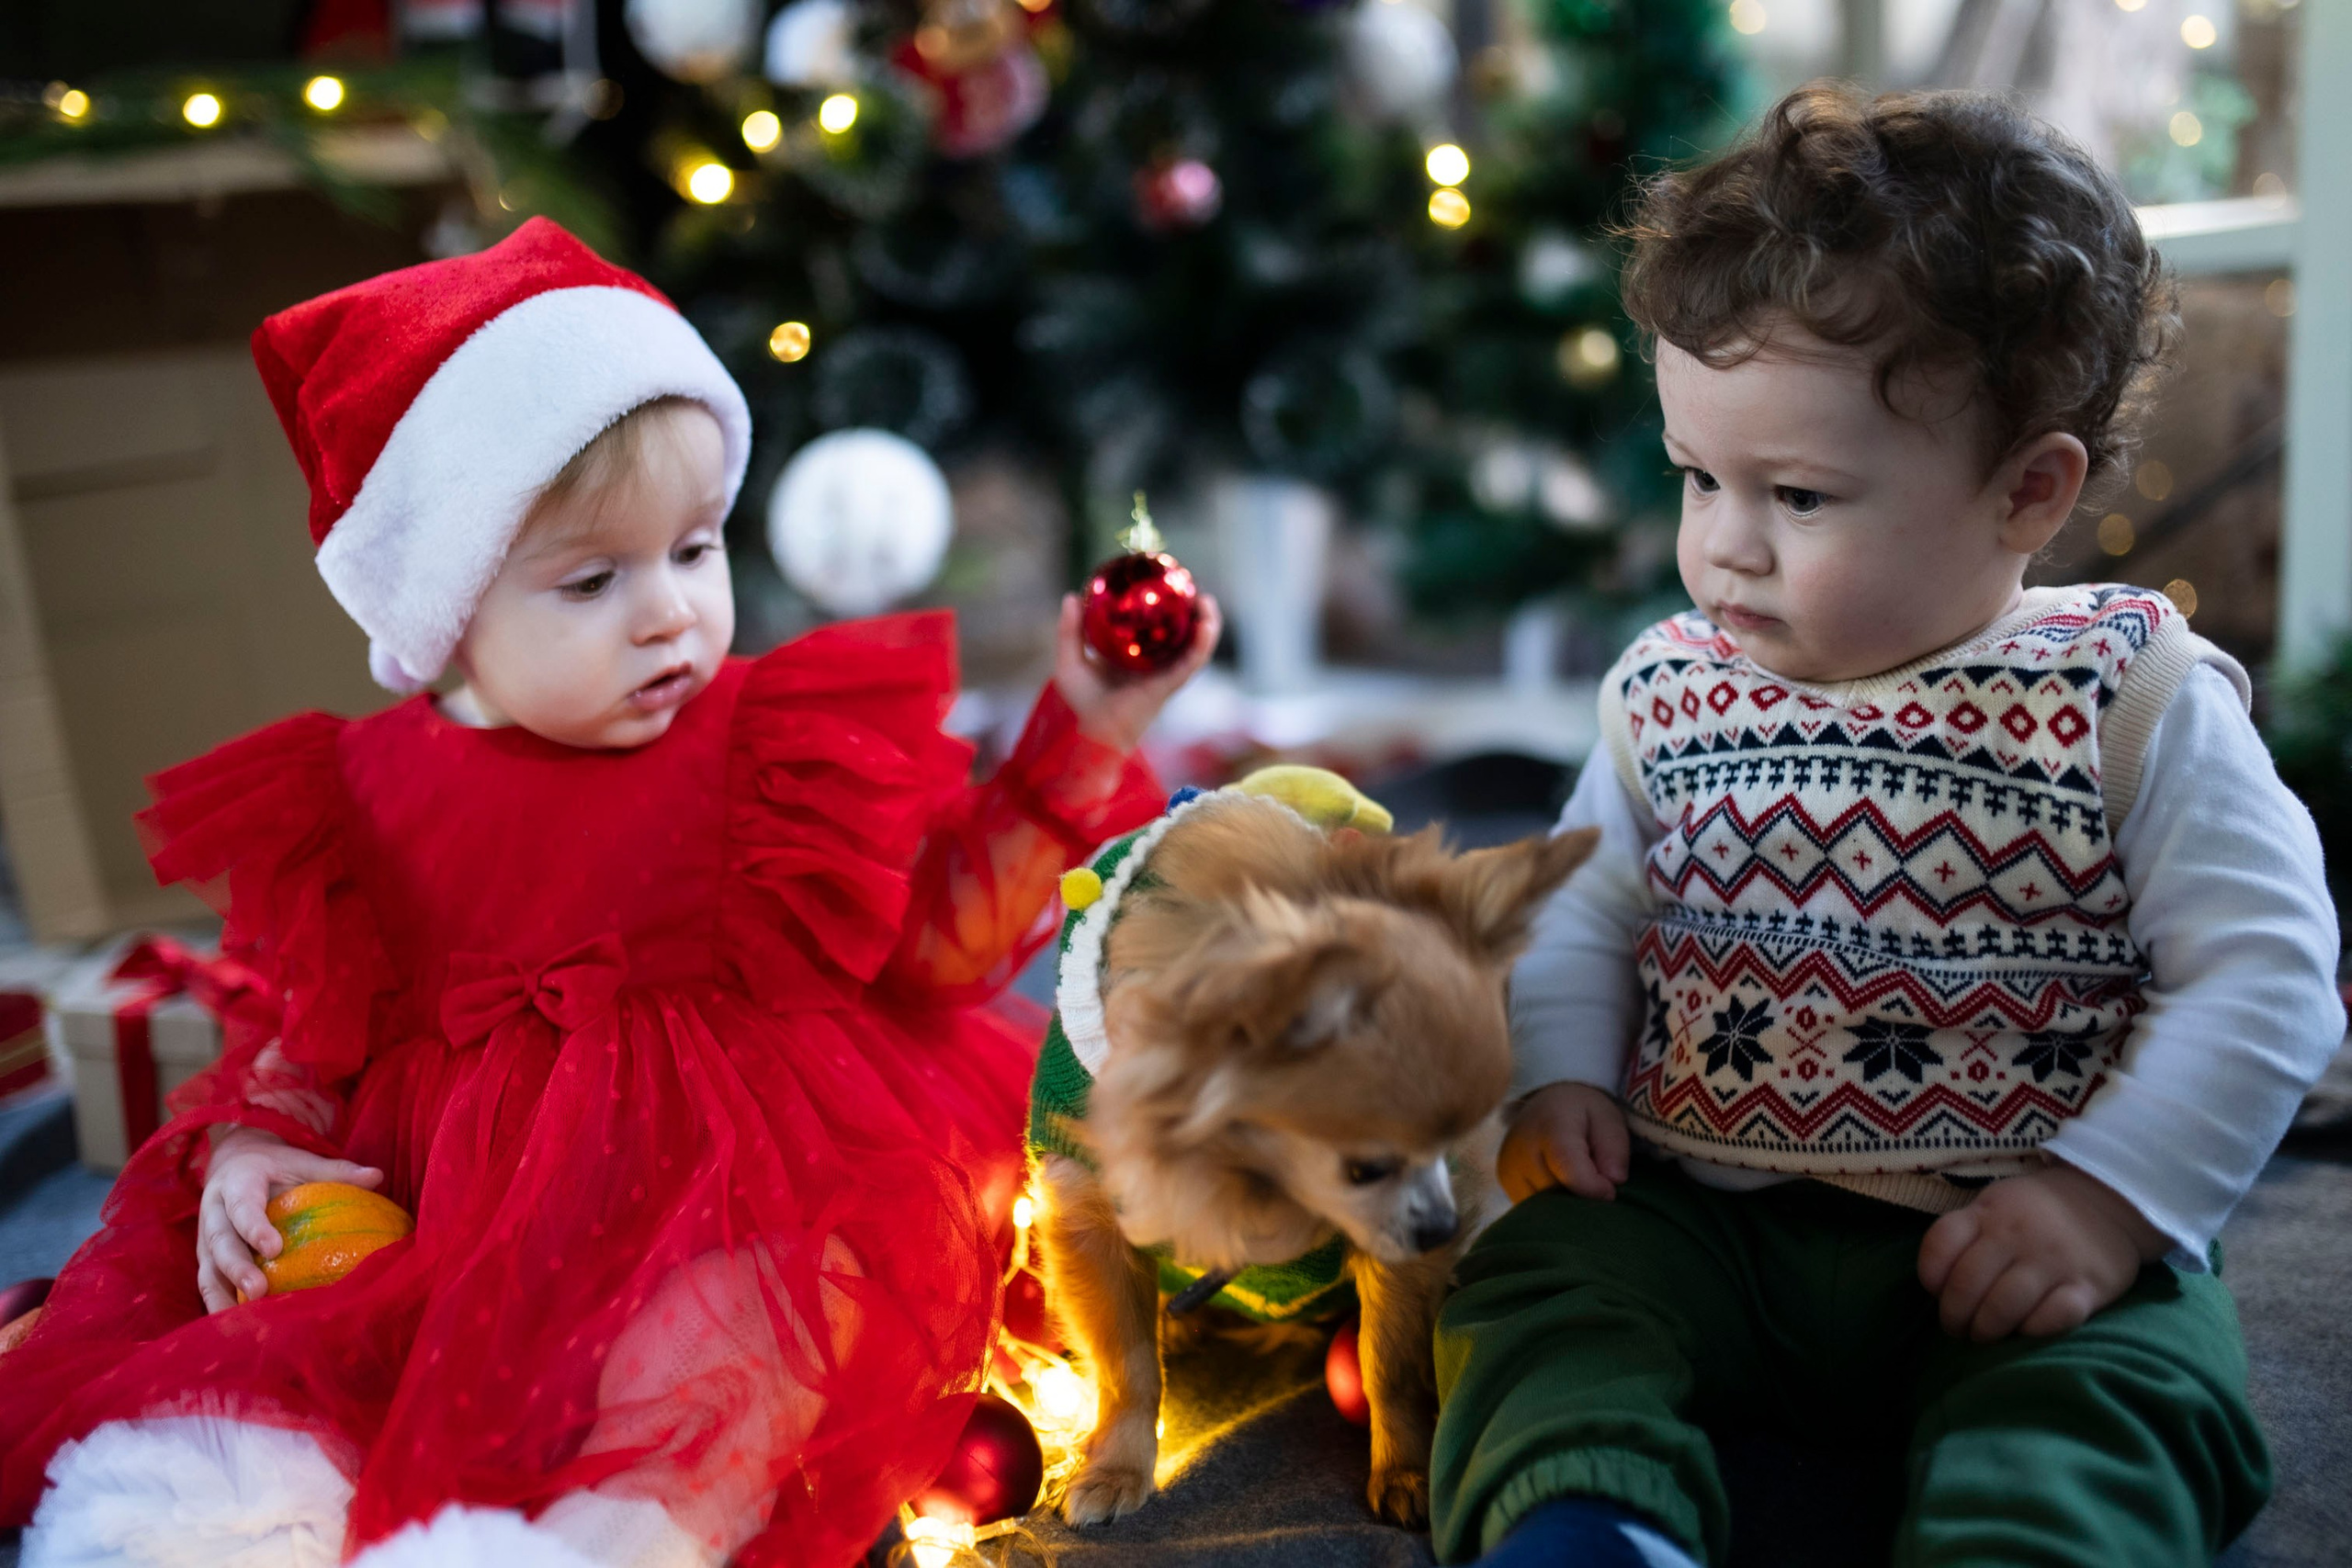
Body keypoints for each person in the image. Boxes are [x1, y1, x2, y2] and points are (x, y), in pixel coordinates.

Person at [0, 218, 1217, 1568]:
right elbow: (306, 1022)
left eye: (695, 552)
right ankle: (225, 1506)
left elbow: (941, 944)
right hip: (455, 1223)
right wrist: (252, 1145)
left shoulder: (766, 746)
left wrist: (1086, 731)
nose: (669, 615)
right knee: (301, 1350)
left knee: (746, 1334)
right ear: (446, 607)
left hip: (749, 1179)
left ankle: (613, 1534)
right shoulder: (361, 795)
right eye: (593, 581)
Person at [1432, 86, 2343, 1568]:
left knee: (2124, 1389)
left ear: (2025, 493)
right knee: (1536, 1290)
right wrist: (1556, 1080)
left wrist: (2111, 1202)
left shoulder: (2124, 697)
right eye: (1698, 477)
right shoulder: (1670, 691)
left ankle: (2029, 1539)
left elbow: (2267, 972)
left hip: (2019, 1226)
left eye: (1797, 494)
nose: (1725, 542)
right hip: (1699, 1207)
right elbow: (1587, 906)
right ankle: (1589, 1519)